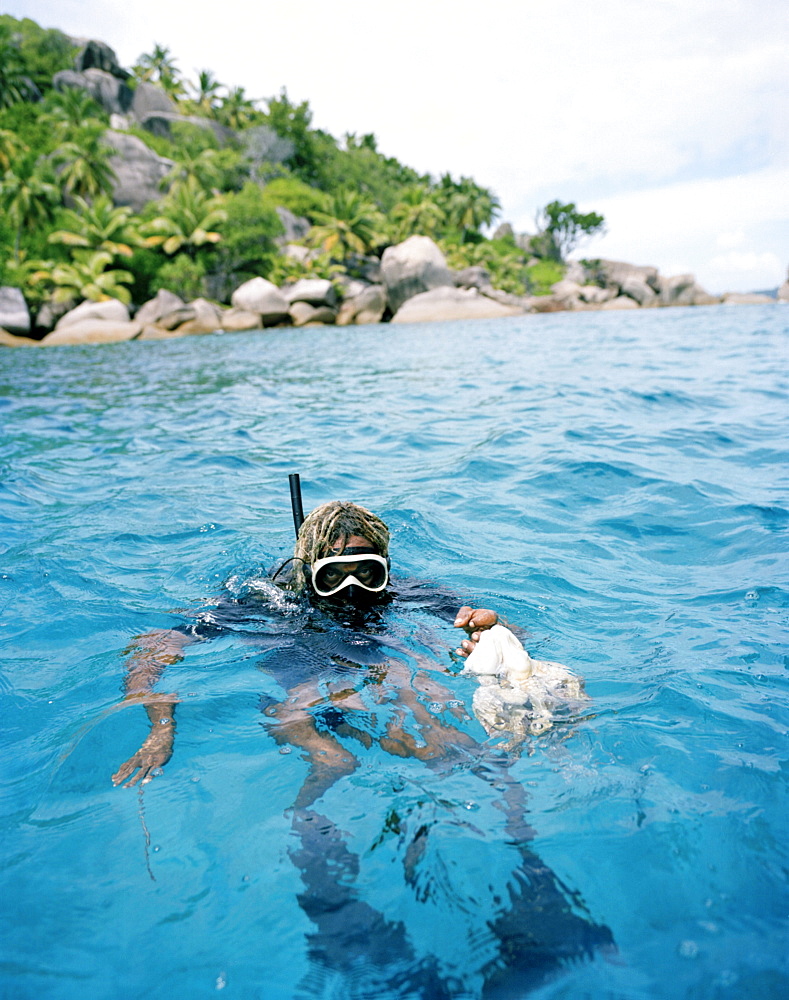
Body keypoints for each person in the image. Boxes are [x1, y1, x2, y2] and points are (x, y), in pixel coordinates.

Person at [112, 499, 613, 996]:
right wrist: (160, 728)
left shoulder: (406, 594)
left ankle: (533, 888)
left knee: (447, 738)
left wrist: (495, 638)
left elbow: (489, 626)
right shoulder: (265, 600)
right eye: (335, 577)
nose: (353, 591)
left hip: (382, 666)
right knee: (326, 752)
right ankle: (343, 921)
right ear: (309, 572)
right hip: (302, 680)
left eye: (367, 574)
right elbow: (151, 649)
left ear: (386, 570)